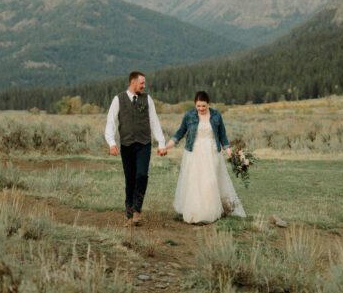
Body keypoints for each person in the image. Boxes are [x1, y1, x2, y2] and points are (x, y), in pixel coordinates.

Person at [166, 91, 245, 223]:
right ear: (194, 105)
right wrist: (166, 146)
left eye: (204, 106)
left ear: (208, 104)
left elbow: (223, 138)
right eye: (198, 106)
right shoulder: (189, 115)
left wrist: (233, 155)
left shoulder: (216, 116)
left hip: (212, 152)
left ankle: (209, 213)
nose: (201, 109)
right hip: (194, 153)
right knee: (195, 182)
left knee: (210, 182)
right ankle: (194, 212)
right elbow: (180, 133)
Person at [105, 71, 167, 226]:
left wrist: (161, 143)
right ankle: (129, 213)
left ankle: (137, 210)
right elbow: (111, 122)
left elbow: (154, 122)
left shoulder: (147, 99)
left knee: (141, 175)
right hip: (126, 145)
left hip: (144, 144)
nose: (144, 86)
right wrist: (111, 143)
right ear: (133, 82)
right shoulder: (118, 99)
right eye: (142, 83)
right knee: (130, 179)